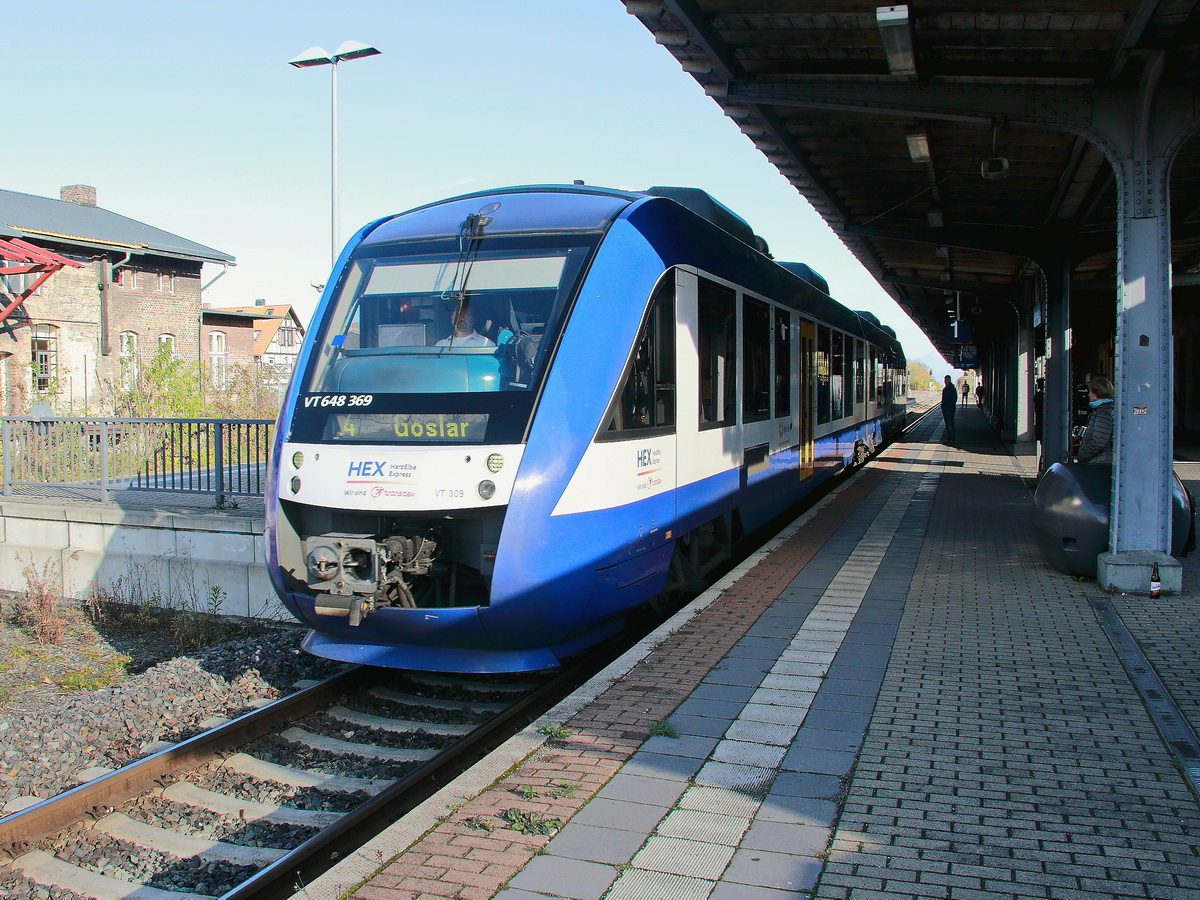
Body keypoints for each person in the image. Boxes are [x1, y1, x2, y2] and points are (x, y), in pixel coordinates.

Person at [1076, 375, 1115, 463]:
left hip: (1100, 462)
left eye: (1090, 391)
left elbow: (1098, 442)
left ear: (1095, 394)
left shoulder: (1103, 413)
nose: (1088, 394)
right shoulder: (1109, 410)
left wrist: (1082, 456)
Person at [941, 374, 958, 444]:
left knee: (950, 424)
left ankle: (951, 439)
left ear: (949, 380)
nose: (945, 382)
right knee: (948, 424)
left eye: (947, 380)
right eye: (945, 380)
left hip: (949, 409)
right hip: (946, 408)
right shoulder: (946, 389)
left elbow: (954, 399)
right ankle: (950, 439)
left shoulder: (951, 389)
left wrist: (948, 406)